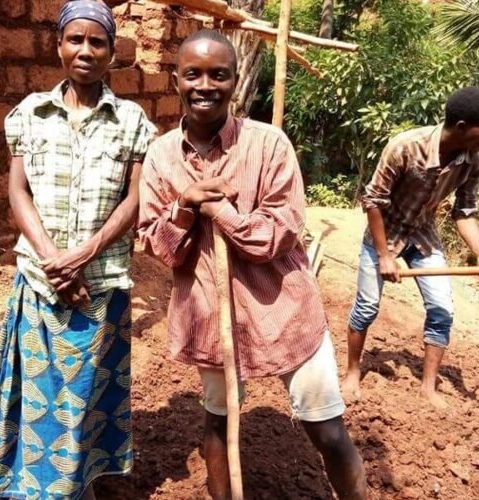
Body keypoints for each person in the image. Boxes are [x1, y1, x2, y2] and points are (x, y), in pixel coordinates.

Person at [137, 30, 366, 500]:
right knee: (219, 420)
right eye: (193, 74)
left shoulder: (269, 145)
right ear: (175, 80)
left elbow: (278, 233)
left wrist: (219, 211)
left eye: (218, 75)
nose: (205, 85)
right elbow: (160, 249)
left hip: (284, 312)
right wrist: (184, 208)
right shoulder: (160, 157)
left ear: (235, 81)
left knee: (326, 429)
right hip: (209, 313)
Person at [0, 3, 156, 499]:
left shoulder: (133, 121)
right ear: (58, 45)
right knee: (40, 390)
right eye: (75, 39)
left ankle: (79, 481)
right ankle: (34, 482)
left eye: (98, 43)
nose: (86, 51)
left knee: (85, 396)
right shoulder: (28, 114)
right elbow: (17, 192)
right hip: (40, 277)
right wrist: (54, 259)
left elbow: (134, 199)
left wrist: (86, 254)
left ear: (113, 53)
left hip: (102, 282)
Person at [343, 86, 479, 409]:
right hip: (383, 233)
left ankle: (428, 388)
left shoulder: (476, 157)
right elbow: (373, 200)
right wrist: (385, 255)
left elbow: (464, 211)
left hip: (423, 234)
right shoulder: (406, 146)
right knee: (367, 306)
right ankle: (351, 372)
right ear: (461, 128)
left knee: (442, 309)